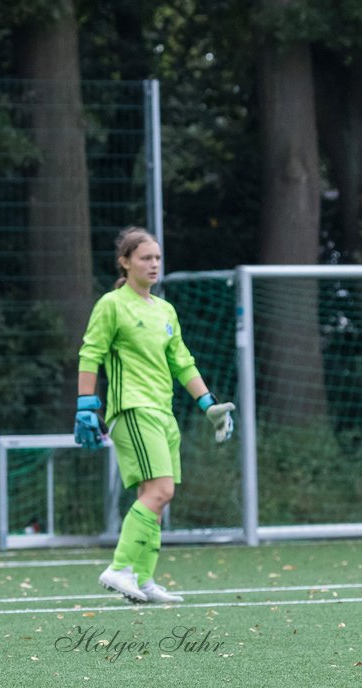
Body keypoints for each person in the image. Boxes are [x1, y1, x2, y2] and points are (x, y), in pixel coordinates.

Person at [74, 227, 234, 604]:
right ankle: (119, 568)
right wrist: (85, 405)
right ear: (125, 262)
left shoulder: (165, 311)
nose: (154, 264)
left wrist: (208, 405)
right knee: (161, 491)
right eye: (145, 258)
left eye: (158, 258)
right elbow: (90, 353)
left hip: (163, 412)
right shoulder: (112, 304)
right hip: (132, 409)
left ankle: (143, 579)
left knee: (155, 496)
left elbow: (182, 363)